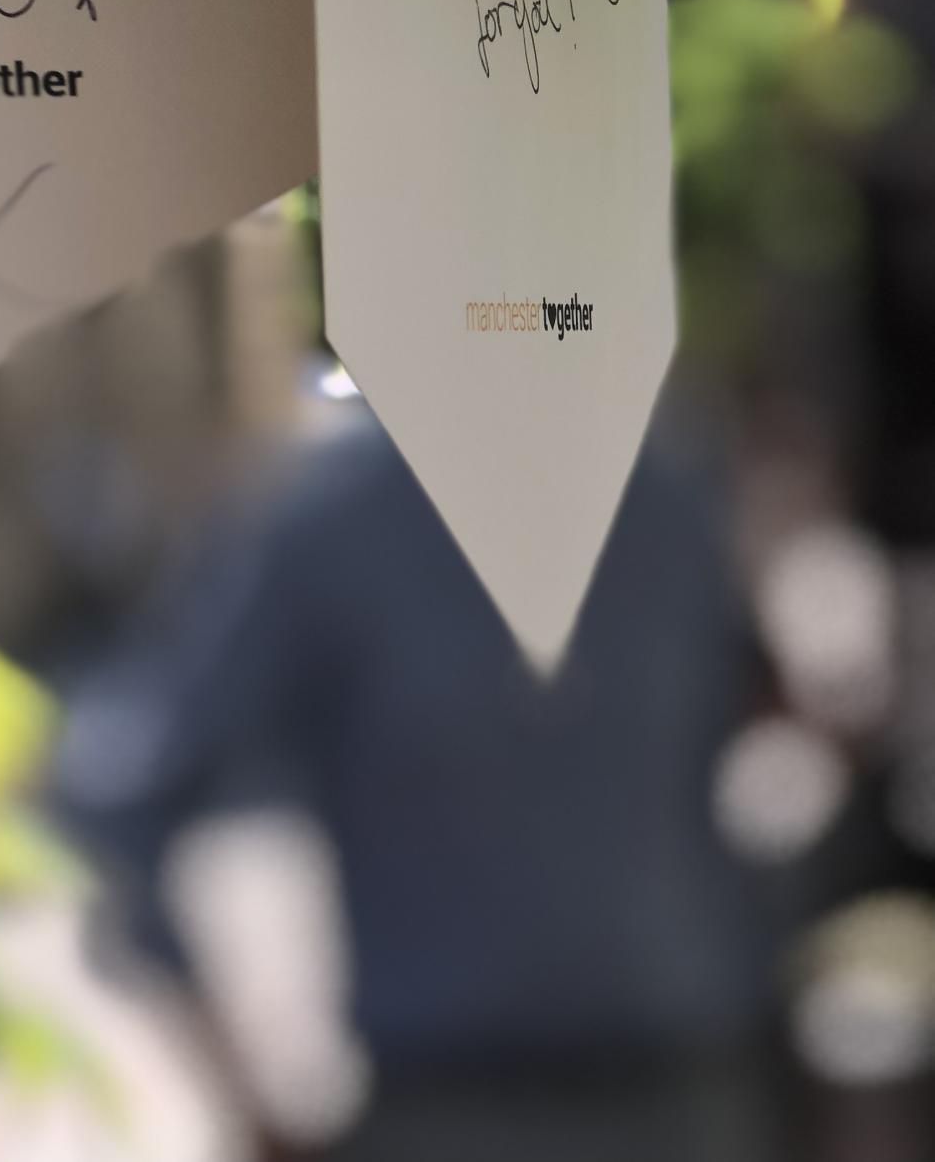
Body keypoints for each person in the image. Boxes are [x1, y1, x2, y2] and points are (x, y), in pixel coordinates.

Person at [50, 392, 783, 1161]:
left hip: (664, 1085)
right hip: (492, 1097)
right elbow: (126, 796)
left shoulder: (663, 492)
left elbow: (123, 798)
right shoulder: (334, 515)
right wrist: (242, 1085)